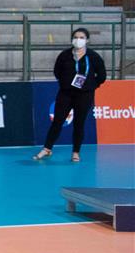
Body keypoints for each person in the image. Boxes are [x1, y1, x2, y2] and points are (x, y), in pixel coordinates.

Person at [35, 27, 107, 163]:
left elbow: (102, 76)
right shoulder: (64, 55)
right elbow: (57, 72)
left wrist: (91, 85)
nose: (78, 40)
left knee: (79, 124)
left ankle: (76, 152)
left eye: (81, 38)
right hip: (66, 94)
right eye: (76, 37)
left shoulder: (93, 57)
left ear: (87, 40)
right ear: (72, 39)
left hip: (84, 95)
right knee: (57, 121)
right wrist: (65, 83)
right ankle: (47, 148)